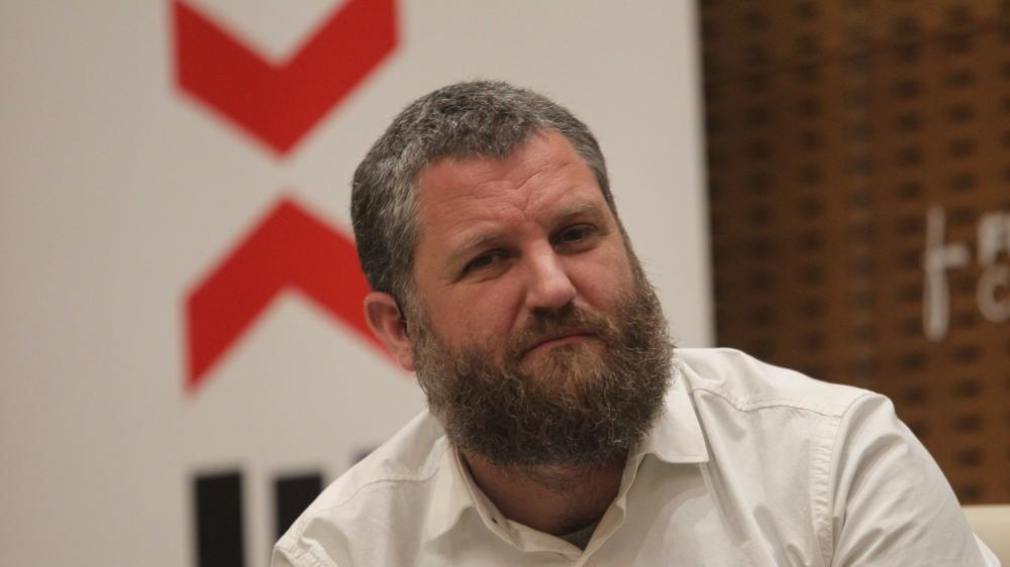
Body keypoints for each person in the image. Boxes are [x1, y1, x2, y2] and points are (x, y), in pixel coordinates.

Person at [272, 81, 999, 566]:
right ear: (399, 329)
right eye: (490, 259)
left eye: (576, 235)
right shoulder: (341, 553)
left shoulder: (833, 469)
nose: (553, 287)